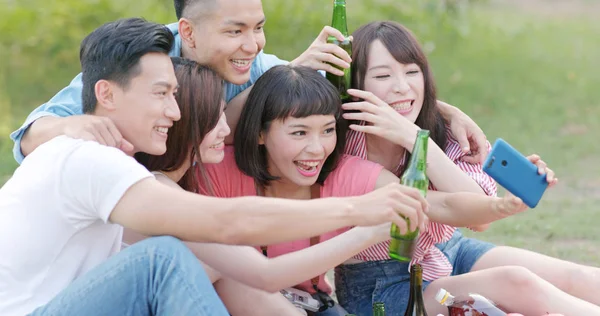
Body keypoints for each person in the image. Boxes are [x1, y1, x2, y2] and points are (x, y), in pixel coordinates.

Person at [0, 18, 430, 316]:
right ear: (107, 95)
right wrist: (361, 212)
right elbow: (229, 221)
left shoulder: (132, 173)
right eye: (161, 95)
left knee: (191, 259)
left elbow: (257, 270)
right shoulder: (88, 158)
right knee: (164, 258)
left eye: (175, 96)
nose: (174, 111)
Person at [195, 64, 566, 315]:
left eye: (327, 130)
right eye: (298, 133)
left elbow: (443, 205)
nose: (316, 149)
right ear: (259, 133)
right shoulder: (219, 172)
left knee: (518, 283)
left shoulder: (344, 174)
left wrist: (499, 207)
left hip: (317, 306)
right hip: (259, 300)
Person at [10, 0, 487, 167]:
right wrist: (78, 130)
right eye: (235, 31)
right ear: (189, 33)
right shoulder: (145, 59)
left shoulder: (256, 66)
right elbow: (31, 135)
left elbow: (358, 86)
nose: (251, 45)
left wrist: (447, 112)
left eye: (258, 27)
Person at [334, 20, 600, 315]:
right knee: (518, 283)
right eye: (383, 75)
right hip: (382, 286)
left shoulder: (446, 129)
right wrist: (413, 135)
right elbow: (451, 205)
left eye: (412, 72)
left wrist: (421, 133)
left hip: (446, 252)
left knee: (582, 278)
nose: (401, 87)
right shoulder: (339, 145)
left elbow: (479, 218)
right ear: (354, 84)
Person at [132, 57, 414, 315]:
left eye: (327, 130)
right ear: (182, 123)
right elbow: (263, 273)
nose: (228, 128)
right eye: (215, 117)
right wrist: (364, 224)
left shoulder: (166, 183)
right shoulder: (160, 191)